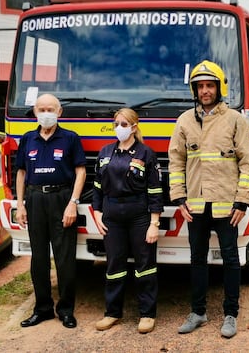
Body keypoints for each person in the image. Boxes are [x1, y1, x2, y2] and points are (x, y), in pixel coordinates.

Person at [168, 60, 249, 338]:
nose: (205, 91)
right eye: (200, 86)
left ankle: (230, 314)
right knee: (197, 259)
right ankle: (198, 312)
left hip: (227, 206)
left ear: (220, 88)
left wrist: (243, 201)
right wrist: (179, 198)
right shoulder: (184, 120)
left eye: (210, 85)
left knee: (231, 259)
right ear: (194, 89)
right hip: (195, 205)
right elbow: (176, 162)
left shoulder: (234, 120)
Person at [15, 93, 86, 329]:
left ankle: (66, 310)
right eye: (41, 109)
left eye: (50, 109)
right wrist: (20, 204)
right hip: (35, 199)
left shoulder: (70, 138)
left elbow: (80, 172)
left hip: (62, 198)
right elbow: (21, 173)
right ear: (35, 112)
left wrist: (73, 203)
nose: (46, 113)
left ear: (60, 112)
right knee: (39, 259)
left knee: (65, 259)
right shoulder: (27, 139)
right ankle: (42, 309)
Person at [91, 108, 164, 334]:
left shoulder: (145, 153)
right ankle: (112, 312)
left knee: (144, 266)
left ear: (134, 127)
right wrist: (96, 213)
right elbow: (97, 188)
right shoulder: (105, 152)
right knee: (114, 266)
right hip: (112, 215)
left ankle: (147, 314)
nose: (119, 128)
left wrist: (154, 223)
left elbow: (154, 191)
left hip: (139, 215)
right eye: (116, 124)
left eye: (124, 124)